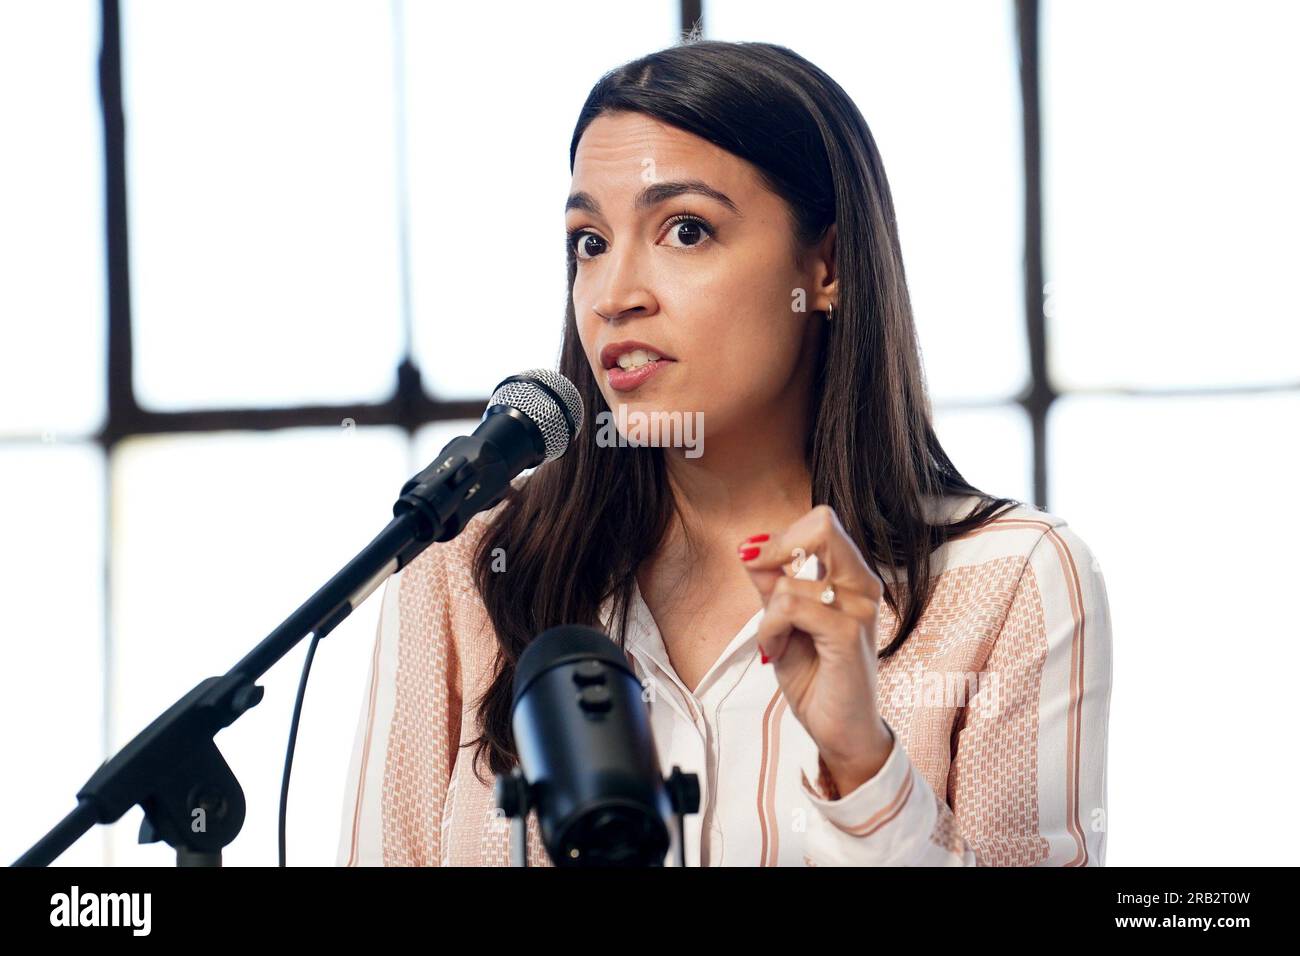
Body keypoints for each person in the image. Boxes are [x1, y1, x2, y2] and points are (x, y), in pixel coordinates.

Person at [337, 39, 1112, 867]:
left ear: (827, 267)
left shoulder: (1006, 582)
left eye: (686, 230)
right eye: (589, 241)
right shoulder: (462, 568)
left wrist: (861, 763)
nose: (615, 296)